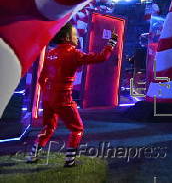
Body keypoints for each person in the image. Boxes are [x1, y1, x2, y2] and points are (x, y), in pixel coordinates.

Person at [27, 22, 118, 167]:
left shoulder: (51, 53)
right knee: (77, 128)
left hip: (48, 98)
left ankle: (32, 155)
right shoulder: (74, 53)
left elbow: (41, 78)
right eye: (75, 35)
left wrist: (48, 93)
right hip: (63, 98)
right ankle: (70, 161)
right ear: (68, 37)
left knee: (48, 128)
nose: (77, 37)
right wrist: (112, 42)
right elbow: (102, 57)